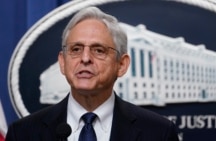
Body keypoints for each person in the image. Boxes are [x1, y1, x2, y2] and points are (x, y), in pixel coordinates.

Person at [6, 6, 179, 141]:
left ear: (121, 65)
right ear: (63, 62)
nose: (85, 58)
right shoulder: (23, 133)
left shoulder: (159, 133)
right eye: (76, 49)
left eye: (98, 50)